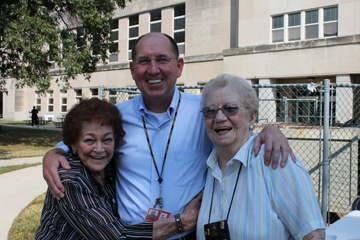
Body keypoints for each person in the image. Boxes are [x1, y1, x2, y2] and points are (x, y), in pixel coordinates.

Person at [42, 32, 294, 239]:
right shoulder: (114, 117)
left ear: (179, 66)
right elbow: (75, 143)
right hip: (129, 234)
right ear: (132, 69)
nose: (153, 69)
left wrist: (270, 130)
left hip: (188, 235)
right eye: (144, 61)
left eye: (162, 59)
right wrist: (53, 153)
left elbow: (237, 130)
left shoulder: (204, 113)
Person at [36, 98, 202, 240]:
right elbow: (116, 236)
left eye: (107, 140)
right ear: (72, 144)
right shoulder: (71, 180)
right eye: (89, 140)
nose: (99, 149)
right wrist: (183, 221)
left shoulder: (108, 167)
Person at [196, 74, 325, 239]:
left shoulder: (274, 160)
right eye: (210, 111)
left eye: (230, 108)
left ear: (252, 116)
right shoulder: (208, 167)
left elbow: (314, 234)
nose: (220, 117)